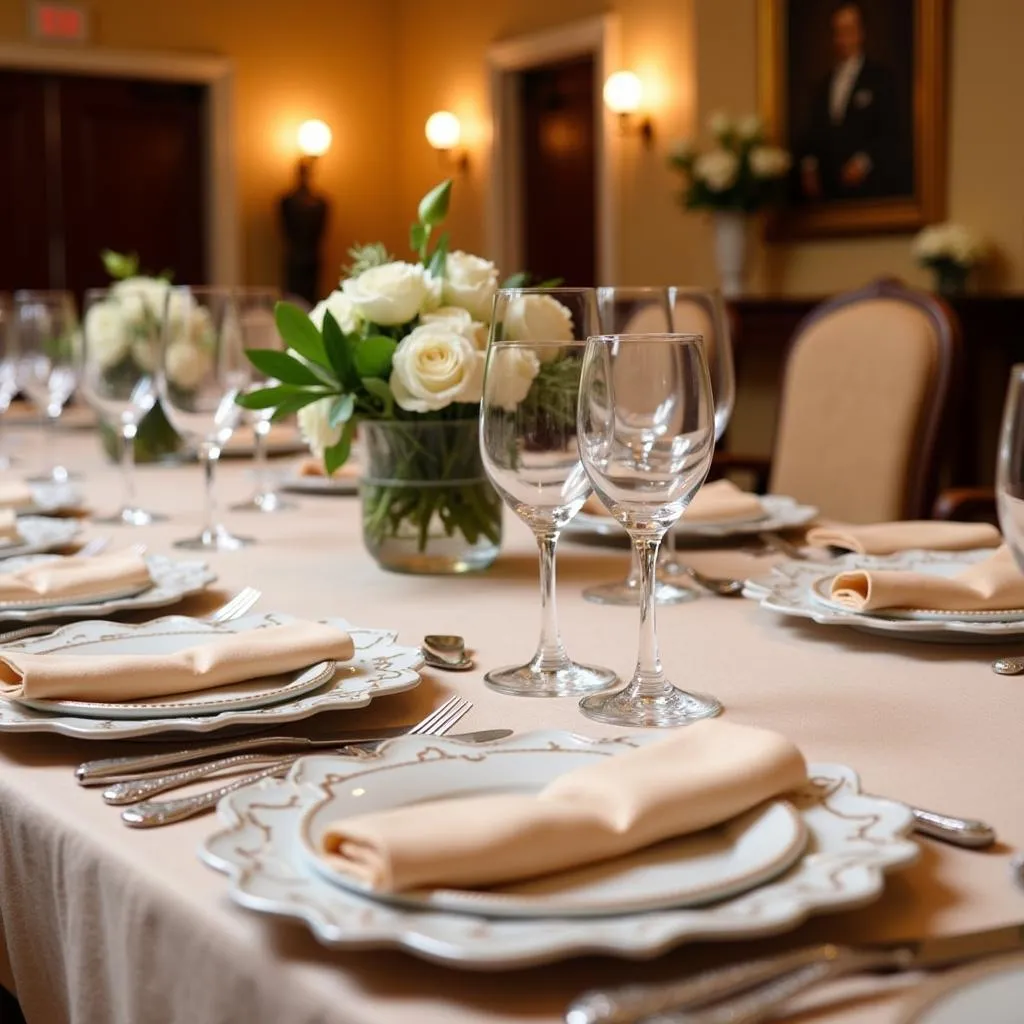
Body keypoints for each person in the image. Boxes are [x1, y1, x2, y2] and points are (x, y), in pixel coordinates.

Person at [798, 1, 902, 201]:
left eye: (848, 30)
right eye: (837, 32)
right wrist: (809, 167)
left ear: (861, 33)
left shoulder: (880, 78)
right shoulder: (823, 85)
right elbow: (813, 132)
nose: (842, 39)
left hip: (869, 189)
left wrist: (863, 163)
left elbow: (890, 132)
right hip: (827, 192)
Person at [279, 158, 328, 305]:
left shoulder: (321, 202)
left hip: (313, 257)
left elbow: (322, 228)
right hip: (294, 257)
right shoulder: (287, 201)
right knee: (293, 299)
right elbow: (284, 227)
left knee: (312, 298)